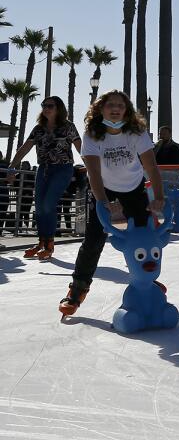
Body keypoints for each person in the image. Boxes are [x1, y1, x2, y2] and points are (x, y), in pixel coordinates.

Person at [59, 89, 164, 318]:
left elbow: (151, 167)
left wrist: (159, 197)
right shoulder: (92, 133)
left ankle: (146, 282)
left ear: (127, 111)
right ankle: (78, 288)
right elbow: (94, 172)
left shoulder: (136, 131)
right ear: (100, 109)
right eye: (110, 105)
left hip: (134, 189)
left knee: (144, 238)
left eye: (121, 105)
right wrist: (104, 202)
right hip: (103, 187)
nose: (115, 109)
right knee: (94, 239)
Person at [6, 96, 82, 260]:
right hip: (44, 169)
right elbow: (25, 148)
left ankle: (49, 245)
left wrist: (92, 167)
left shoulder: (68, 127)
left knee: (48, 204)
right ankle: (41, 242)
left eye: (50, 105)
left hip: (63, 169)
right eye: (44, 105)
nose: (46, 108)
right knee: (39, 207)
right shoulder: (38, 129)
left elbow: (80, 147)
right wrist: (12, 166)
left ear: (58, 108)